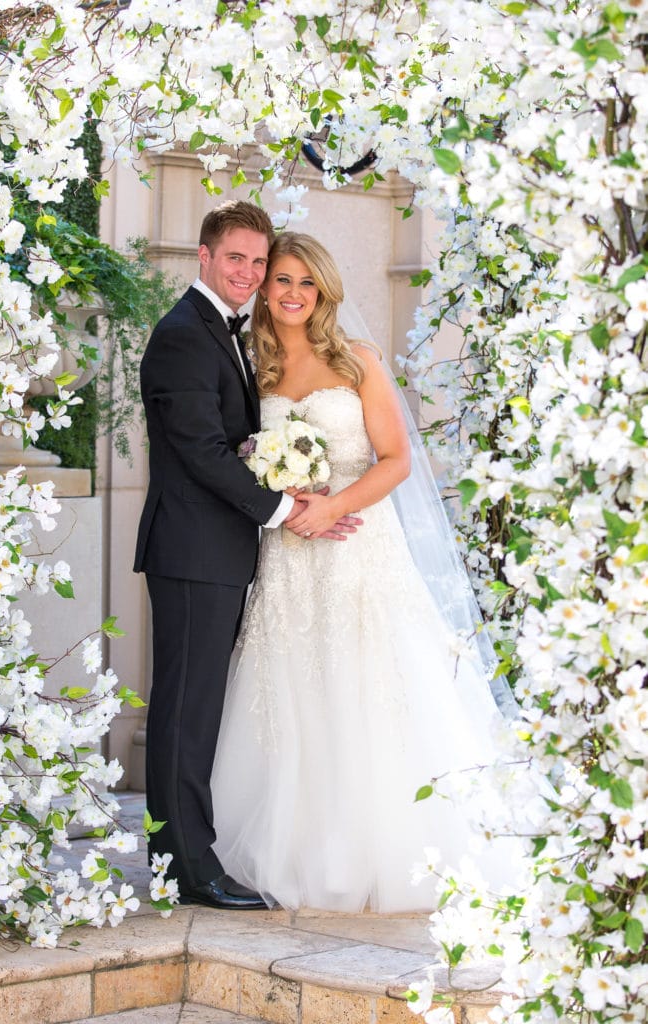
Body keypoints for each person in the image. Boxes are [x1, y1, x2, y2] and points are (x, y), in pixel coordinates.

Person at [210, 232, 514, 912]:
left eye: (304, 283)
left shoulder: (358, 362)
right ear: (263, 288)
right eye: (280, 280)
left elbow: (396, 459)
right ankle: (300, 846)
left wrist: (333, 508)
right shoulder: (247, 366)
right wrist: (287, 507)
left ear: (323, 291)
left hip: (356, 546)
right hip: (286, 553)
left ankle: (388, 847)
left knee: (368, 684)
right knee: (293, 688)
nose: (291, 293)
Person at [134, 204, 358, 910]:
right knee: (185, 713)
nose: (249, 273)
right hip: (194, 551)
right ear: (204, 257)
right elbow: (200, 452)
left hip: (220, 551)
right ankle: (189, 870)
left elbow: (226, 440)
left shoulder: (223, 333)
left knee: (196, 710)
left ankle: (186, 860)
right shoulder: (181, 337)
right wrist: (287, 509)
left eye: (258, 262)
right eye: (237, 259)